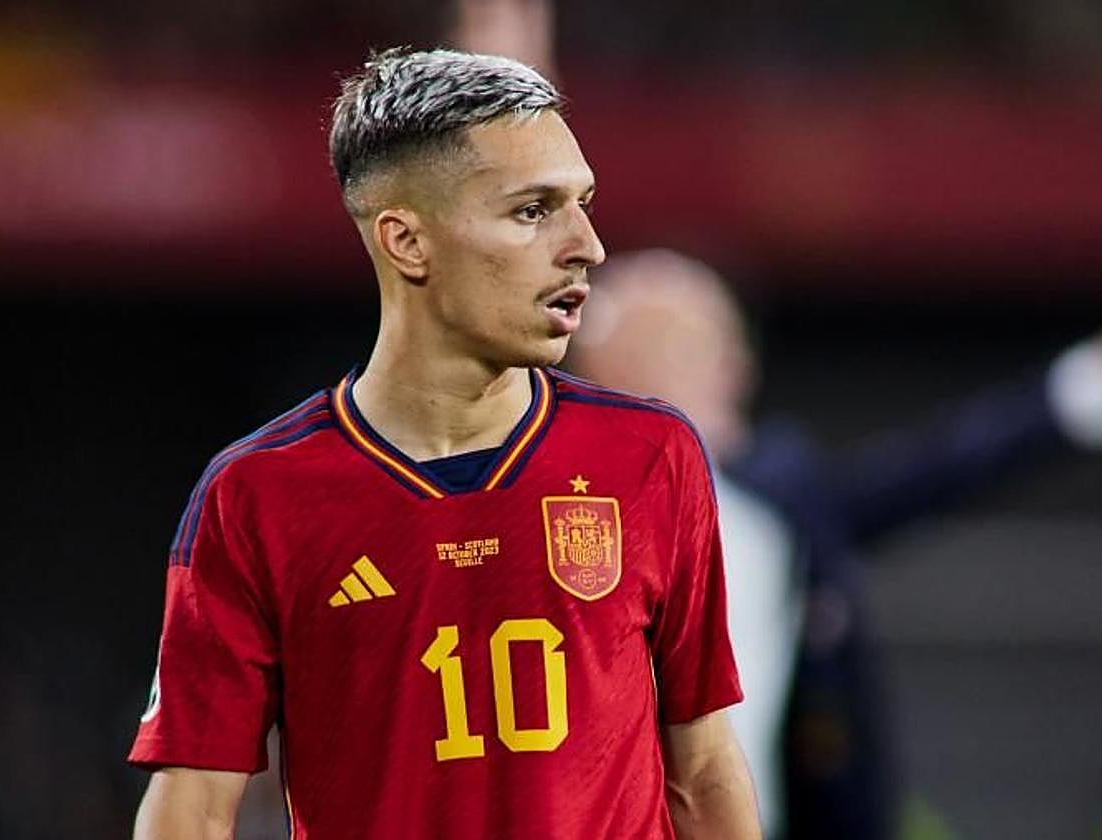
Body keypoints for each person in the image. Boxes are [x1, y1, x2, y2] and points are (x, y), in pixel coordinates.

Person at [128, 50, 760, 839]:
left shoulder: (651, 456)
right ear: (406, 243)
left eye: (582, 203)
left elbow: (701, 771)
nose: (587, 245)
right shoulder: (256, 496)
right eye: (533, 210)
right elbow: (191, 807)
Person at [567, 248, 1102, 840]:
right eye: (685, 347)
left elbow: (939, 467)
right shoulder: (561, 509)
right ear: (604, 366)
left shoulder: (777, 501)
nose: (729, 370)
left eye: (724, 345)